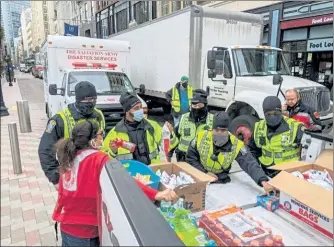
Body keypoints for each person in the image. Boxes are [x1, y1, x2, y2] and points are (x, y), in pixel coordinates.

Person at [53, 121, 178, 247]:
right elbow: (125, 181)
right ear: (92, 139)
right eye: (100, 134)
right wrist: (157, 194)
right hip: (86, 232)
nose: (103, 137)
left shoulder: (70, 155)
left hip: (66, 225)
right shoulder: (98, 158)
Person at [186, 111, 273, 194]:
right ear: (212, 129)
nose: (219, 133)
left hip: (221, 182)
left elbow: (249, 163)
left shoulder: (236, 144)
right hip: (200, 177)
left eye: (223, 131)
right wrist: (204, 173)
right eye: (216, 130)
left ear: (228, 131)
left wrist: (263, 181)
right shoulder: (201, 136)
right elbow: (190, 157)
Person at [38, 81, 105, 188]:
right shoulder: (59, 119)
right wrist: (55, 178)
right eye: (87, 99)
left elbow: (102, 141)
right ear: (78, 99)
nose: (91, 102)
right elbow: (45, 149)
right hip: (71, 175)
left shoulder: (99, 115)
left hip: (95, 172)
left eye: (93, 99)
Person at [102, 92, 176, 164]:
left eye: (141, 107)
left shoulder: (152, 125)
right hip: (129, 173)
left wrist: (170, 134)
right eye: (136, 108)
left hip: (152, 170)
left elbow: (168, 145)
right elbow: (104, 159)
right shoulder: (116, 133)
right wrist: (112, 151)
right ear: (127, 111)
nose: (140, 111)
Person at [248, 96, 304, 177]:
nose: (272, 116)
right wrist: (257, 173)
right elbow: (252, 151)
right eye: (268, 114)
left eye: (276, 113)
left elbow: (307, 154)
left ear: (281, 111)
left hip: (289, 174)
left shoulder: (295, 127)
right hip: (266, 173)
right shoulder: (259, 127)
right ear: (264, 114)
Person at [168, 89, 214, 162]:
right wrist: (169, 153)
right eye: (194, 105)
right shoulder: (184, 118)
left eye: (199, 105)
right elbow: (175, 136)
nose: (196, 108)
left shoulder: (212, 120)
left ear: (205, 105)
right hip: (183, 157)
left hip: (201, 160)